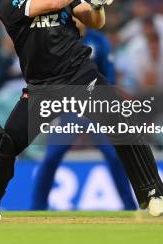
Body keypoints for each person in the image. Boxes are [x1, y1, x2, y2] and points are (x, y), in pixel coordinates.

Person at [0, 0, 163, 222]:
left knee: (121, 124)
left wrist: (99, 1)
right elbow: (53, 2)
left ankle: (153, 195)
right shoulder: (8, 3)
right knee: (4, 144)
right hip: (41, 88)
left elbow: (95, 21)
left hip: (80, 77)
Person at [31, 20, 137, 211]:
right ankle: (37, 207)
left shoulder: (99, 40)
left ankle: (129, 207)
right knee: (52, 156)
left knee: (114, 155)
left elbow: (109, 72)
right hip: (70, 107)